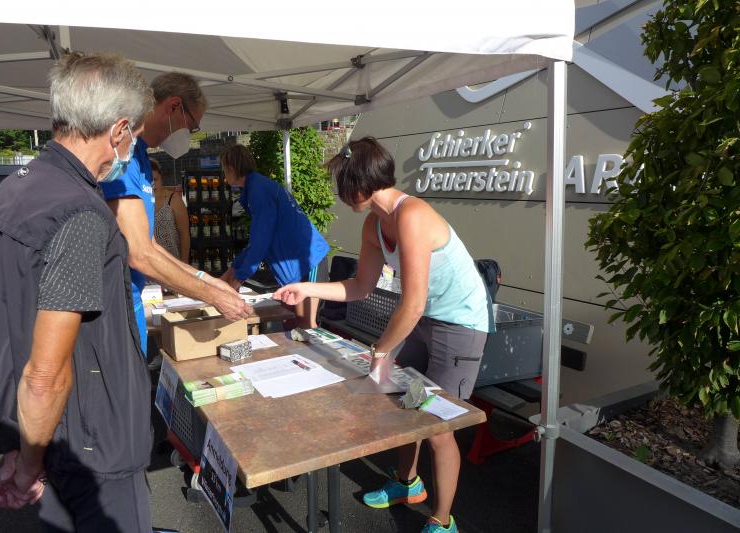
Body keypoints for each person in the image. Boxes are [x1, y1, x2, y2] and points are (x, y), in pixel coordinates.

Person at [0, 53, 156, 531]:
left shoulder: (18, 187)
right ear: (118, 131)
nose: (131, 147)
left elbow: (12, 320)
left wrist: (20, 447)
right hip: (95, 450)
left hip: (59, 436)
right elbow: (44, 376)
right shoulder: (80, 214)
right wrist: (27, 465)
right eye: (134, 135)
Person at [274, 137, 494, 533]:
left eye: (342, 185)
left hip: (461, 324)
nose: (340, 194)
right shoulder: (374, 224)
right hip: (424, 319)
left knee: (439, 425)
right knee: (405, 402)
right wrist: (307, 289)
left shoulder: (412, 215)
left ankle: (443, 520)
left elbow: (413, 302)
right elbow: (360, 286)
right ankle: (407, 484)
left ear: (359, 183)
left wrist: (381, 350)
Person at [100, 72, 250, 357]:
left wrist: (206, 278)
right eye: (192, 125)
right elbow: (139, 254)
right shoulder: (124, 153)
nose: (191, 134)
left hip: (131, 301)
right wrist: (213, 296)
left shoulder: (141, 156)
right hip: (113, 310)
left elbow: (150, 244)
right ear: (174, 106)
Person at [219, 144, 329, 328]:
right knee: (293, 322)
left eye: (224, 170)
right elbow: (257, 242)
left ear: (231, 168)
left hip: (308, 261)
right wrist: (232, 271)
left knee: (305, 325)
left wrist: (236, 281)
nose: (224, 175)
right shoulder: (256, 188)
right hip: (295, 263)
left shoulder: (258, 191)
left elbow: (260, 243)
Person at [151, 158, 189, 261]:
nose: (152, 184)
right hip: (149, 265)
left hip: (173, 262)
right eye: (148, 181)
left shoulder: (173, 199)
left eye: (155, 179)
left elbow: (184, 235)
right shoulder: (140, 202)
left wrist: (184, 263)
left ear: (161, 178)